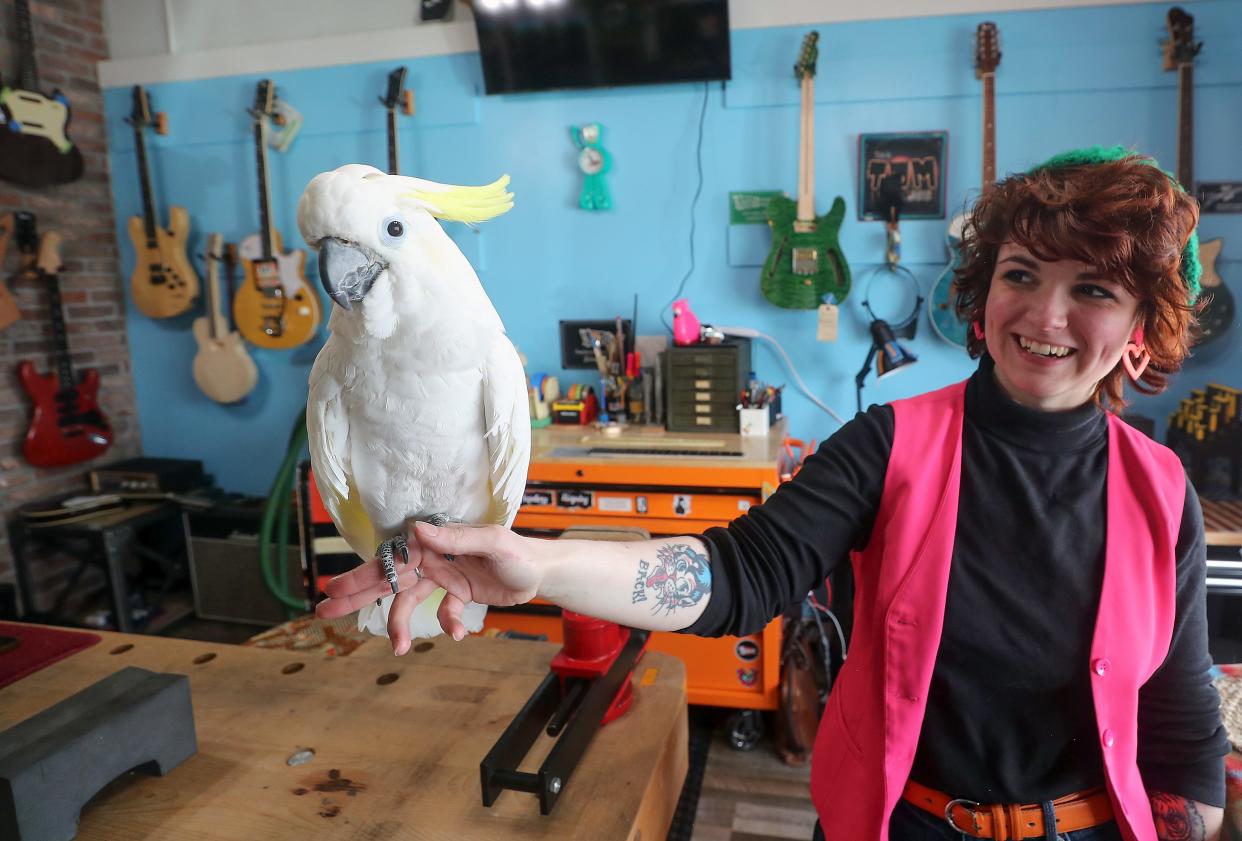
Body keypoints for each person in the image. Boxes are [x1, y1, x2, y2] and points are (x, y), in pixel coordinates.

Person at [314, 146, 1228, 841]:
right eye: (1021, 274)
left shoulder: (1160, 488)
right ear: (982, 294)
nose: (1045, 315)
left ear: (1142, 326)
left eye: (1094, 289)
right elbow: (736, 573)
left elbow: (1183, 726)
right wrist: (534, 565)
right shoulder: (891, 443)